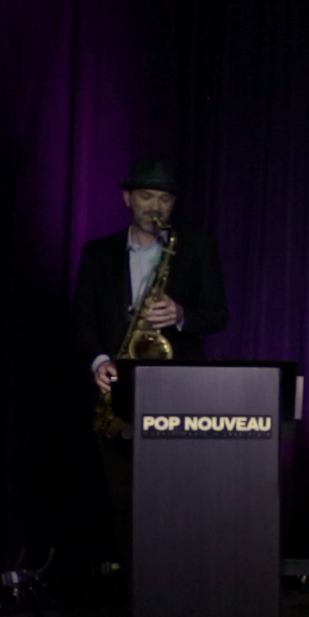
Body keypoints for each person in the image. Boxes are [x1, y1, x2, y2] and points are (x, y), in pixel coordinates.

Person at [72, 158, 229, 568]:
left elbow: (218, 315)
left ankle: (177, 580)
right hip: (117, 388)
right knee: (124, 496)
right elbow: (82, 317)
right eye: (146, 196)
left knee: (179, 492)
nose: (155, 207)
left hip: (179, 389)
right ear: (128, 198)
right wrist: (99, 361)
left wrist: (181, 313)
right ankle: (135, 586)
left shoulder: (197, 248)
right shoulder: (98, 253)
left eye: (164, 198)